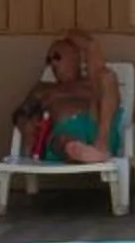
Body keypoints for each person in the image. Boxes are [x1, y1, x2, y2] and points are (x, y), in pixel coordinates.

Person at [14, 29, 119, 165]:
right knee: (63, 139)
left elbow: (92, 47)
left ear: (75, 57)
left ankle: (100, 147)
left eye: (57, 57)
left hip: (97, 125)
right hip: (63, 132)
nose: (53, 63)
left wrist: (69, 33)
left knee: (107, 77)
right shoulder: (43, 89)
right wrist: (26, 126)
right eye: (49, 60)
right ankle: (79, 151)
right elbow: (20, 112)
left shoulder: (92, 82)